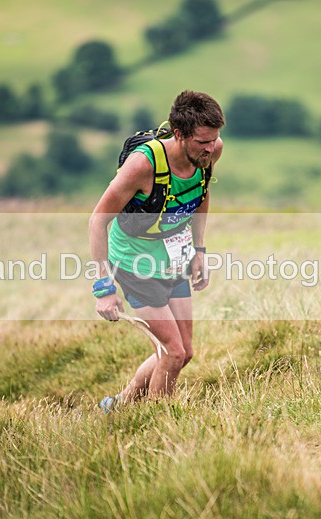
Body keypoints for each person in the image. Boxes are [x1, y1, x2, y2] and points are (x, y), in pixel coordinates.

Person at [88, 90, 225, 412]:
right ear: (179, 134)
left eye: (214, 140)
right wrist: (103, 288)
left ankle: (119, 405)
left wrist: (199, 250)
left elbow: (200, 194)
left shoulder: (210, 152)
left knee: (184, 352)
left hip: (172, 258)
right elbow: (97, 221)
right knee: (173, 352)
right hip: (135, 264)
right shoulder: (142, 166)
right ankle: (156, 422)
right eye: (201, 142)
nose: (210, 149)